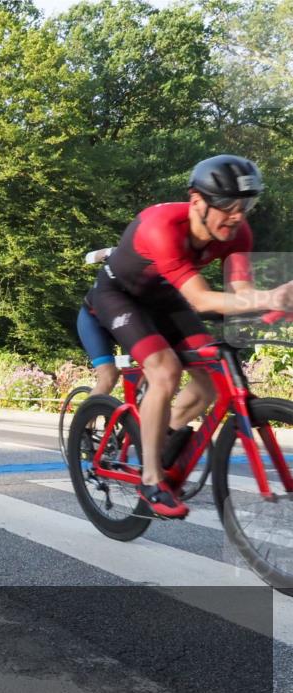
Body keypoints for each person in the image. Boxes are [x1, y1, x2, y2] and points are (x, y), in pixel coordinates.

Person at [85, 154, 293, 519]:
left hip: (165, 297)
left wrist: (273, 304)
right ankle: (150, 479)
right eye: (229, 206)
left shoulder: (238, 232)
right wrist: (267, 298)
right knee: (164, 371)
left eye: (246, 205)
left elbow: (239, 291)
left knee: (209, 381)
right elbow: (199, 298)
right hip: (119, 295)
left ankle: (165, 436)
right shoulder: (161, 227)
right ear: (197, 201)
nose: (237, 215)